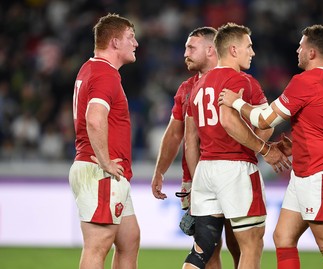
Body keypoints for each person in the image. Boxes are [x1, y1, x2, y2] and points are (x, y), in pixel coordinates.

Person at [218, 24, 323, 269]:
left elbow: (264, 119)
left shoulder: (306, 81)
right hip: (306, 172)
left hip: (321, 173)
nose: (297, 50)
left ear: (311, 53)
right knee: (283, 237)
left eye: (301, 46)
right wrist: (300, 144)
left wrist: (236, 102)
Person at [183, 22, 291, 269]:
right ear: (233, 50)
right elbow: (239, 122)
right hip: (236, 169)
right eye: (248, 47)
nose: (252, 52)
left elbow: (192, 139)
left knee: (203, 252)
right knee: (251, 246)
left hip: (205, 171)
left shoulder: (198, 86)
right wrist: (266, 149)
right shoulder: (244, 81)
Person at [151, 26, 247, 269]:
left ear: (211, 49)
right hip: (196, 180)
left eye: (191, 47)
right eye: (185, 48)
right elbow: (175, 133)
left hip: (231, 174)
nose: (185, 53)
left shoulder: (236, 81)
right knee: (209, 249)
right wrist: (160, 170)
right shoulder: (186, 88)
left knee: (239, 244)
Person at [69, 13, 140, 269]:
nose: (136, 43)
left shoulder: (90, 68)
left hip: (106, 173)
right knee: (98, 245)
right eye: (130, 37)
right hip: (100, 172)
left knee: (129, 240)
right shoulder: (105, 74)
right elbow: (94, 119)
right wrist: (105, 161)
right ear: (114, 42)